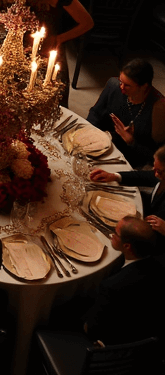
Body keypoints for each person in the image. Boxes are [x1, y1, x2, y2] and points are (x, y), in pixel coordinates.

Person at [0, 0, 93, 103]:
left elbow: (87, 23)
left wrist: (57, 39)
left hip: (46, 46)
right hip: (15, 44)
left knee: (50, 97)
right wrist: (4, 22)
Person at [83, 216, 159, 347]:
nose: (111, 235)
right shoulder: (159, 266)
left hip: (113, 345)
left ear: (127, 246)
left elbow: (92, 329)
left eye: (115, 233)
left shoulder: (112, 286)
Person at [86, 59, 164, 167]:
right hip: (100, 142)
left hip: (128, 158)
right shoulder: (114, 85)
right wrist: (89, 134)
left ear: (144, 86)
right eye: (121, 81)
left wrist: (131, 142)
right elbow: (95, 113)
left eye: (127, 85)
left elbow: (155, 157)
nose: (121, 87)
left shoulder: (159, 109)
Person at [91, 142, 165, 234]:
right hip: (145, 209)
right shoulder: (160, 173)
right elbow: (146, 176)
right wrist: (114, 176)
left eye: (159, 171)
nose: (155, 174)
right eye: (154, 167)